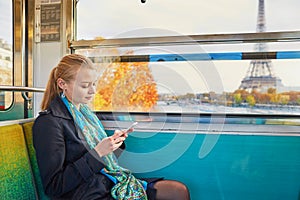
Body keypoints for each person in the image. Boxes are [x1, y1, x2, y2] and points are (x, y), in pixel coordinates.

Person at [33, 54, 190, 200]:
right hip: (86, 193)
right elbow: (54, 186)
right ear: (62, 84)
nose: (93, 91)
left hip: (107, 181)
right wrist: (98, 152)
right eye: (85, 85)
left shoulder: (87, 115)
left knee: (178, 190)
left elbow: (103, 160)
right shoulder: (48, 123)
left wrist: (115, 144)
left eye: (94, 84)